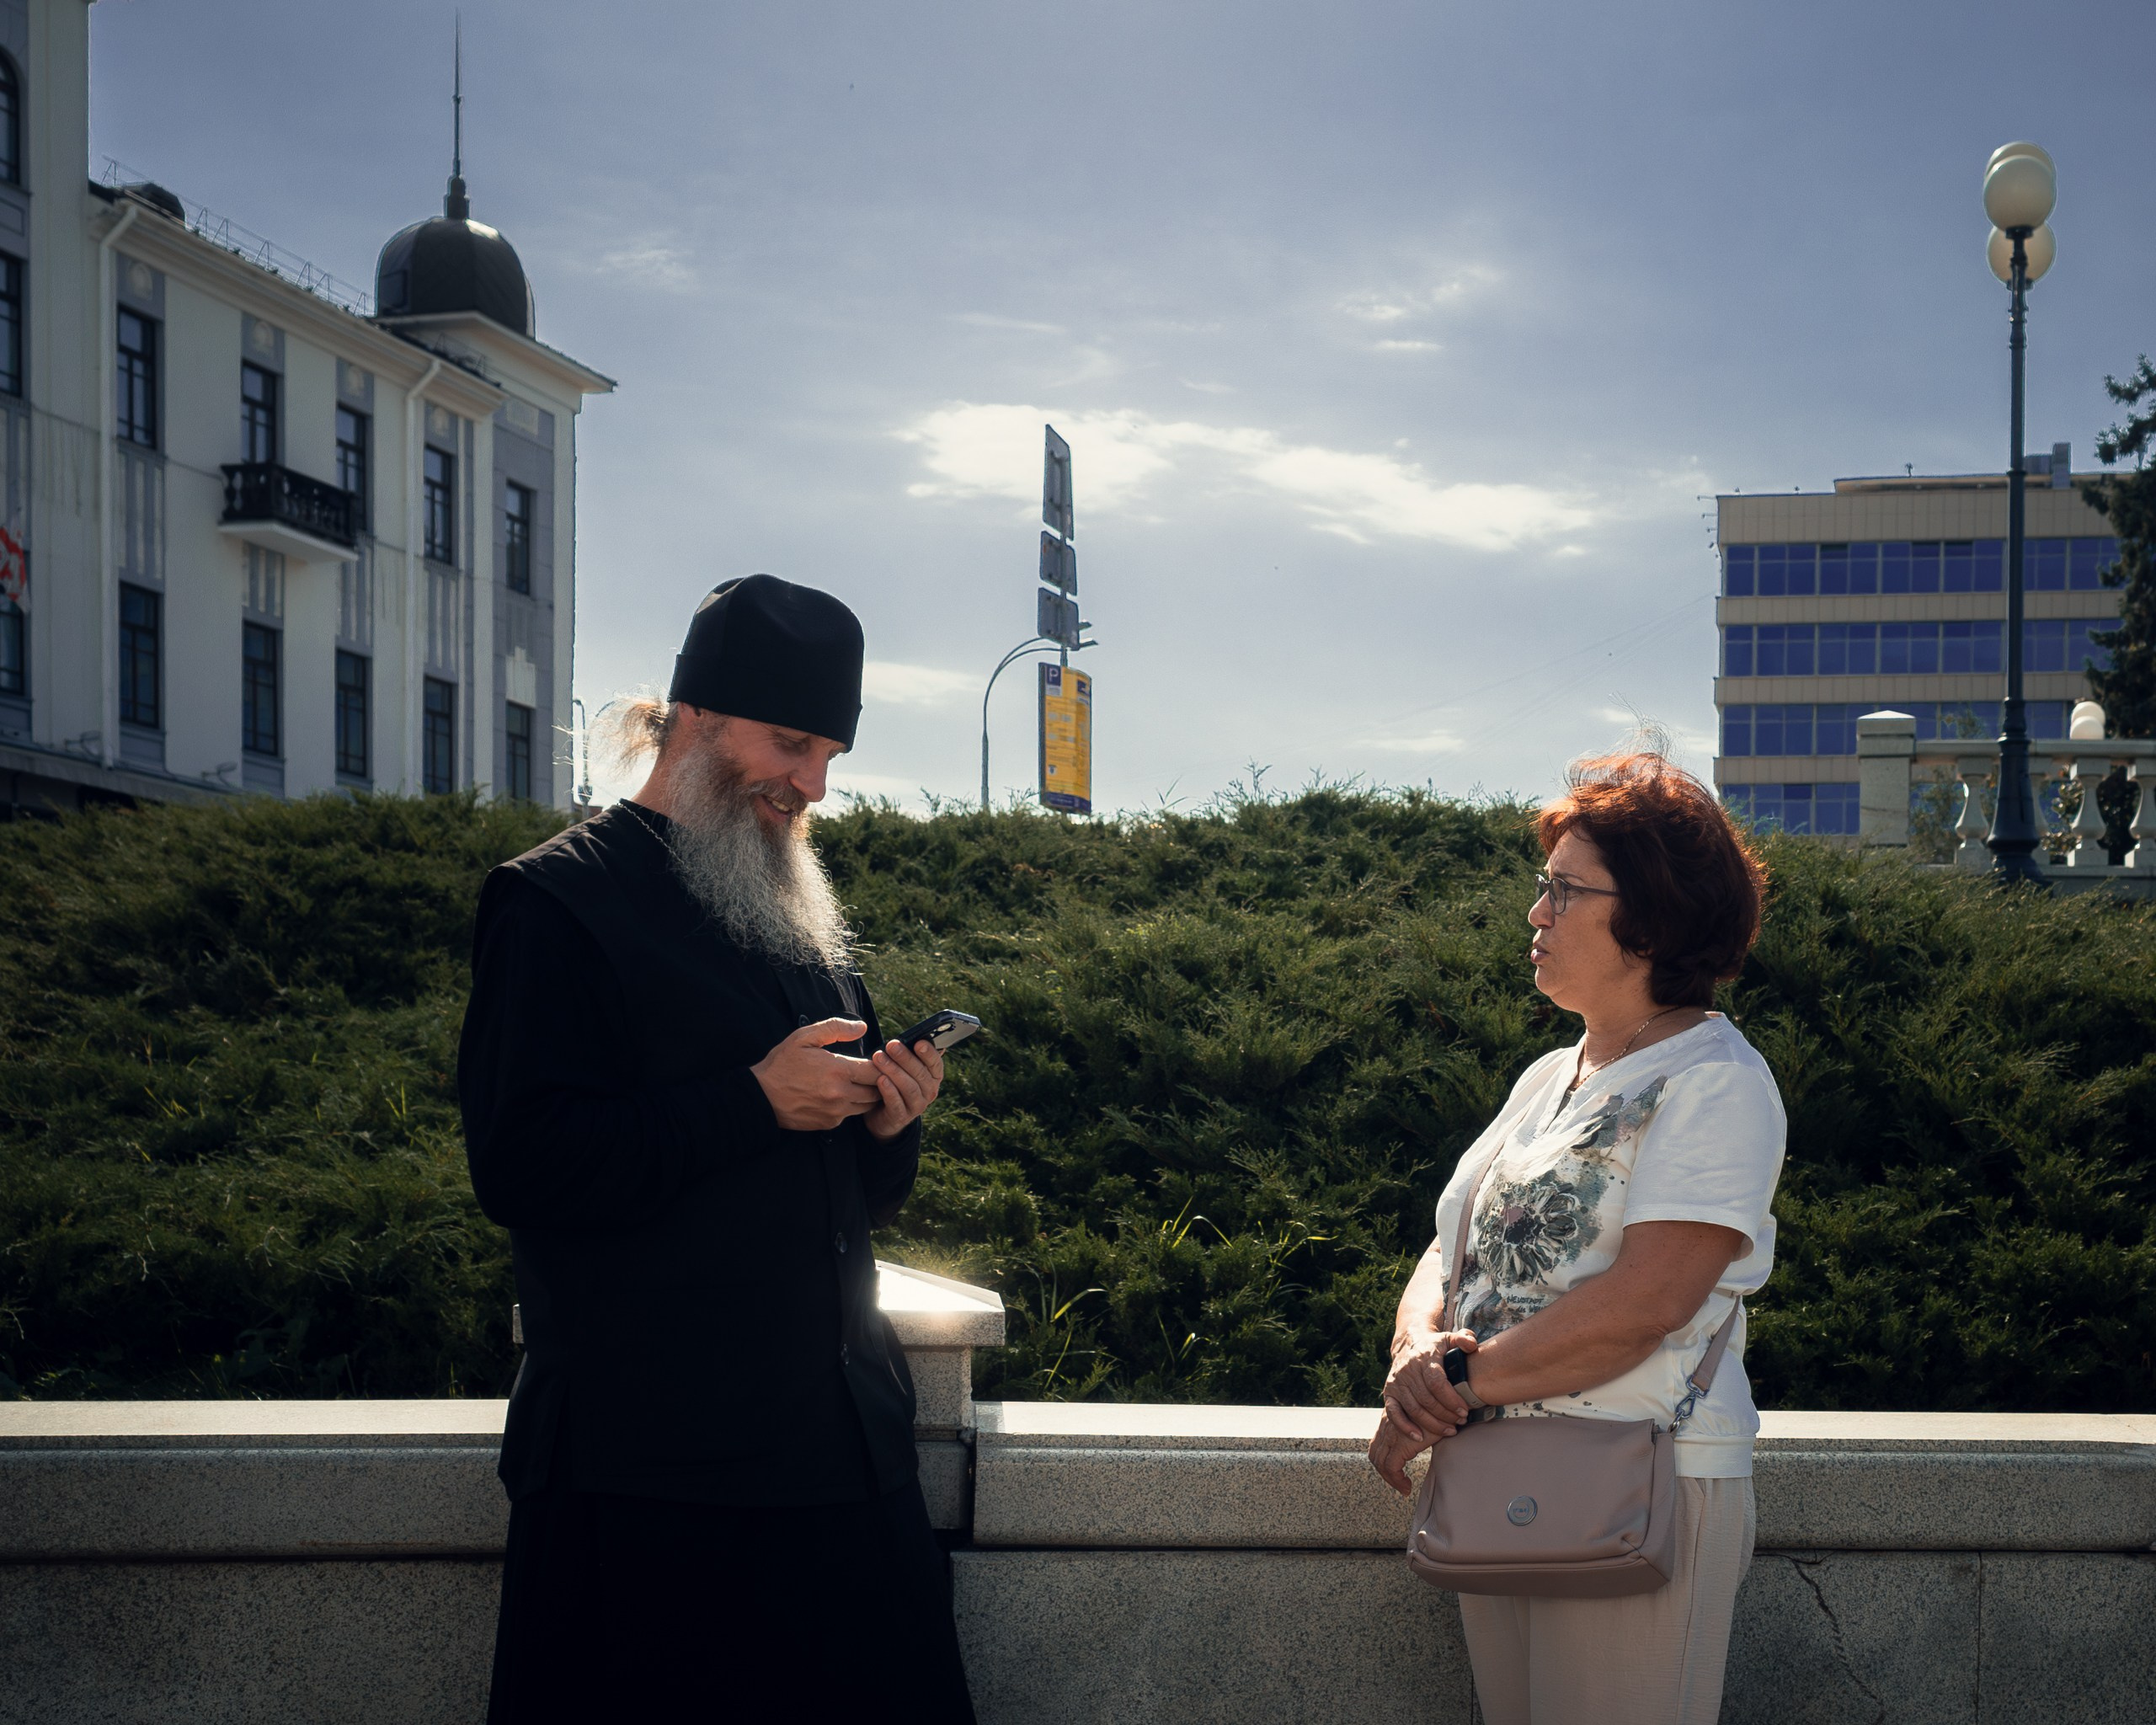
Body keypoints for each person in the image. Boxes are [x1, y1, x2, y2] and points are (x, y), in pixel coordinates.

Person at [459, 574, 976, 1722]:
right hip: (654, 1491)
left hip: (844, 1470)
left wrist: (888, 1123)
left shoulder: (799, 926)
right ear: (694, 716)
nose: (812, 785)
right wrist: (751, 1100)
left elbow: (838, 1198)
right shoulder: (556, 903)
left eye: (831, 755)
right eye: (792, 744)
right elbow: (522, 1163)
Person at [1369, 751, 1783, 1725]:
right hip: (1501, 1469)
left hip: (1638, 1475)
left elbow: (1646, 1304)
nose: (1536, 911)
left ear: (1650, 916)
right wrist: (1414, 1353)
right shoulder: (1550, 1074)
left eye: (1564, 888)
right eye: (1542, 884)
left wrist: (1448, 1391)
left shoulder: (1714, 1080)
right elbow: (1450, 1246)